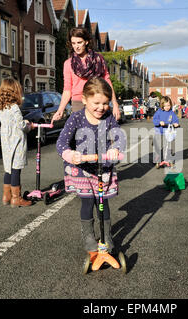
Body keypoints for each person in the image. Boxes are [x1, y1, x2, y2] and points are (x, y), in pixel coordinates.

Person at [56, 77, 126, 253]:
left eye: (105, 103)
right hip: (81, 169)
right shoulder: (76, 118)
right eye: (96, 103)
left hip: (102, 168)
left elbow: (118, 138)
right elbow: (61, 142)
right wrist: (70, 154)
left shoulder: (109, 118)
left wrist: (115, 149)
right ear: (84, 100)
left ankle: (106, 236)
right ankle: (88, 236)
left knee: (103, 203)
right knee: (88, 202)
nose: (101, 108)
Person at [50, 27, 120, 124]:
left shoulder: (98, 59)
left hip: (98, 102)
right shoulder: (68, 63)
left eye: (79, 42)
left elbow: (107, 82)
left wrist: (115, 104)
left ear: (86, 42)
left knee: (103, 135)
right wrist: (60, 110)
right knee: (82, 136)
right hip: (78, 103)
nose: (76, 46)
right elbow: (67, 90)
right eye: (73, 43)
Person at [0, 78, 34, 208]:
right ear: (15, 91)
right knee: (16, 168)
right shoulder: (15, 107)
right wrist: (29, 126)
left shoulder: (1, 107)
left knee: (8, 169)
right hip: (16, 141)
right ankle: (16, 198)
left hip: (6, 141)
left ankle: (6, 196)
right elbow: (21, 125)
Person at [152, 96, 179, 167]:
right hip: (158, 131)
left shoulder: (171, 113)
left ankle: (167, 159)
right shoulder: (159, 112)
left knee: (167, 146)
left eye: (169, 105)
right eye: (165, 106)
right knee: (157, 146)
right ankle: (157, 160)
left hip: (167, 132)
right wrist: (159, 122)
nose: (167, 107)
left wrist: (176, 124)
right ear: (162, 105)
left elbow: (175, 120)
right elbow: (154, 120)